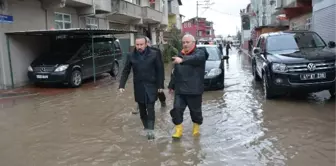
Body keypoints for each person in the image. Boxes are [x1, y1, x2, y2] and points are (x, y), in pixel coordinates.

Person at [119, 35, 164, 140]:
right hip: (139, 86)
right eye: (137, 44)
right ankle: (146, 127)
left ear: (146, 44)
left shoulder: (154, 54)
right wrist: (122, 85)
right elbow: (126, 71)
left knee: (150, 108)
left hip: (151, 85)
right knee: (142, 110)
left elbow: (160, 70)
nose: (139, 47)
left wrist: (160, 85)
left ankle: (151, 131)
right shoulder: (131, 55)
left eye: (141, 44)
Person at [168, 34, 207, 139]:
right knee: (176, 110)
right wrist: (171, 85)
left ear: (193, 43)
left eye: (187, 42)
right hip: (180, 90)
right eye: (183, 42)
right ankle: (178, 130)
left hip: (194, 90)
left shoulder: (200, 53)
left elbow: (196, 58)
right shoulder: (179, 55)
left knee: (196, 113)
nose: (185, 44)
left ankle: (195, 130)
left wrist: (183, 60)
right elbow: (175, 72)